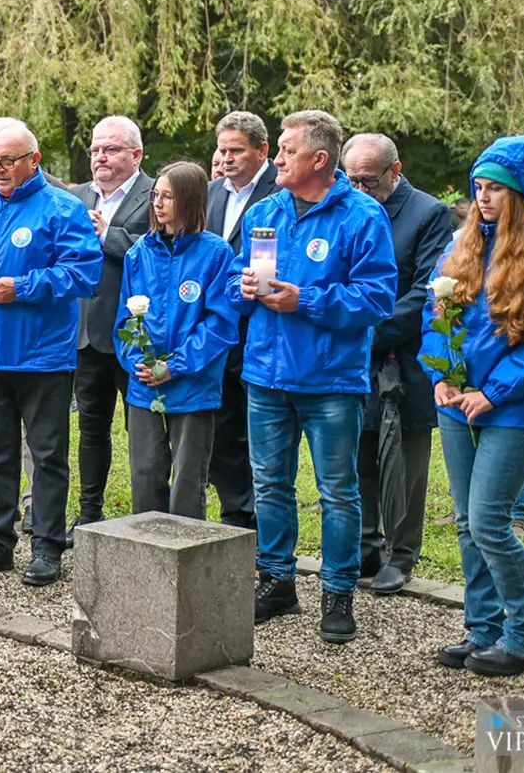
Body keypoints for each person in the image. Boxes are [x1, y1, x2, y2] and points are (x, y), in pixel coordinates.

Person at [230, 109, 397, 645]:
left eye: (285, 150)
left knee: (337, 493)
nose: (275, 158)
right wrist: (242, 289)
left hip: (330, 381)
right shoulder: (269, 210)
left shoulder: (363, 217)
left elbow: (376, 297)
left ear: (319, 159)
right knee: (269, 486)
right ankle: (277, 581)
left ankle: (337, 592)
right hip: (267, 374)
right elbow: (243, 273)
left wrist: (306, 300)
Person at [424, 135, 524, 677]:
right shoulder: (461, 246)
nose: (484, 198)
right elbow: (435, 316)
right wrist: (440, 377)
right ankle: (484, 629)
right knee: (467, 522)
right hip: (454, 403)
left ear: (522, 194)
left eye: (497, 189)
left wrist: (494, 392)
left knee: (491, 520)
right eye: (480, 187)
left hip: (510, 409)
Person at [0, 119, 102, 586]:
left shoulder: (63, 209)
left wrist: (22, 287)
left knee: (47, 455)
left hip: (43, 355)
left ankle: (47, 547)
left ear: (34, 160)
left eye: (9, 160)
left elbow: (84, 273)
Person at [341, 133, 452, 595]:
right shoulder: (347, 209)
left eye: (369, 180)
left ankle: (401, 552)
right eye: (351, 180)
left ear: (395, 171)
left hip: (403, 356)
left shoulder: (428, 214)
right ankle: (366, 544)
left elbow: (424, 292)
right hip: (354, 359)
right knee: (360, 452)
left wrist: (363, 328)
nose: (360, 190)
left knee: (405, 460)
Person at [116, 161, 238, 520]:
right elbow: (125, 317)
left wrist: (176, 366)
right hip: (144, 384)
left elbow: (220, 324)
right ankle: (145, 550)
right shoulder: (139, 253)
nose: (158, 203)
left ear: (189, 199)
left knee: (188, 478)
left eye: (168, 196)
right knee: (146, 471)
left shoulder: (216, 254)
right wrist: (136, 360)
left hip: (193, 384)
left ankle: (186, 557)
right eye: (155, 195)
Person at [69, 115, 154, 543]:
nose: (100, 157)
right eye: (96, 150)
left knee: (143, 430)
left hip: (135, 334)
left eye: (111, 149)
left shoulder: (155, 194)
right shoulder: (78, 195)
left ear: (136, 154)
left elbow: (163, 252)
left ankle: (149, 517)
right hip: (85, 332)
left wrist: (112, 235)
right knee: (90, 427)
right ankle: (89, 513)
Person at [204, 111, 280, 529]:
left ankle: (261, 515)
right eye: (222, 150)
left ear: (262, 150)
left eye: (236, 150)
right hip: (217, 328)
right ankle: (236, 511)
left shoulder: (279, 192)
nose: (227, 158)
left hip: (260, 329)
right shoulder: (213, 191)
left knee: (258, 432)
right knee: (222, 425)